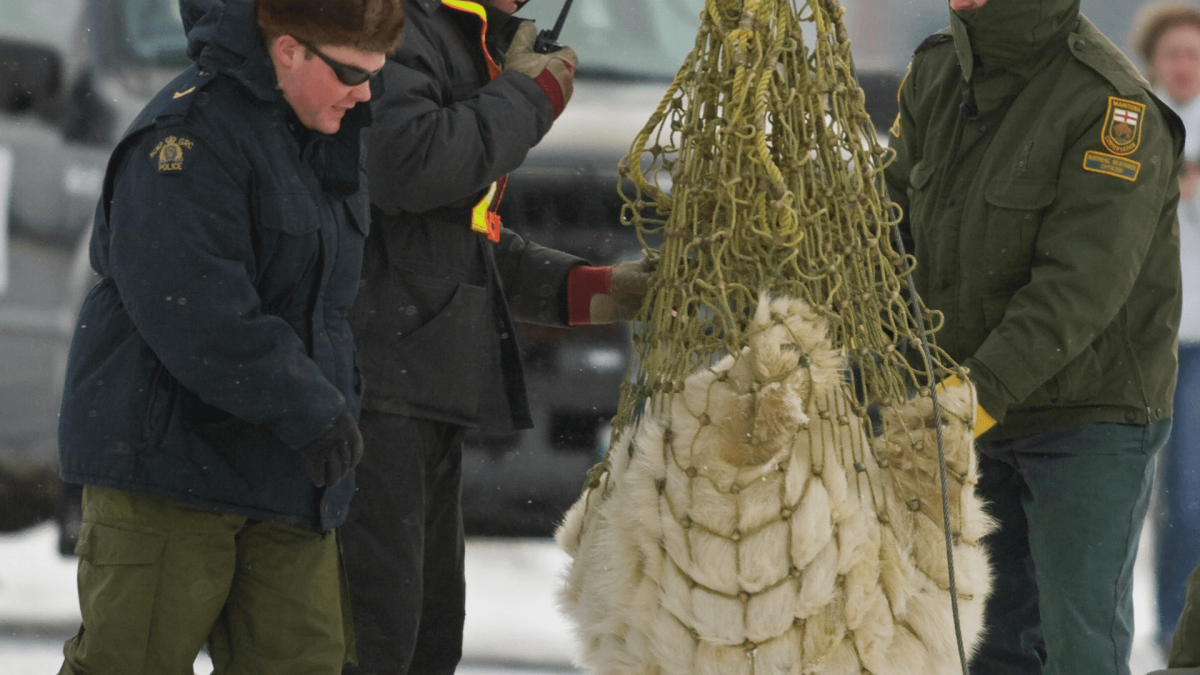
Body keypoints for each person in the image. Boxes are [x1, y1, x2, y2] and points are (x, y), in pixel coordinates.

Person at [54, 0, 403, 672]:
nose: (365, 96)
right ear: (289, 49)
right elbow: (197, 310)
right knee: (131, 661)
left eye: (375, 76)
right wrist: (313, 408)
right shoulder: (187, 136)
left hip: (287, 472)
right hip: (170, 471)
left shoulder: (328, 128)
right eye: (350, 73)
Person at [341, 0, 650, 673]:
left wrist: (607, 289)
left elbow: (463, 244)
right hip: (377, 392)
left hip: (423, 393)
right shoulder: (399, 29)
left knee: (427, 638)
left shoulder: (461, 37)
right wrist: (529, 97)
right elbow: (408, 165)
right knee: (377, 641)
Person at [884, 0, 1184, 673]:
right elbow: (889, 224)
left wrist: (972, 398)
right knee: (988, 640)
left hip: (1090, 415)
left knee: (1078, 643)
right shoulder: (940, 71)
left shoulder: (1108, 105)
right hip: (971, 406)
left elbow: (1079, 289)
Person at [1131, 3, 1200, 657]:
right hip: (1142, 334)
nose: (1183, 66)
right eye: (1174, 54)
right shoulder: (1128, 123)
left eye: (1195, 55)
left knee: (1189, 487)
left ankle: (1182, 626)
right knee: (1130, 492)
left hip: (1198, 339)